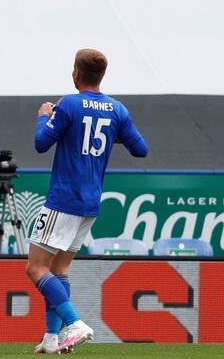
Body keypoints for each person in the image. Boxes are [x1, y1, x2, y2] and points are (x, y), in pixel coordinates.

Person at [27, 48, 148, 354]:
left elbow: (41, 143)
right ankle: (52, 338)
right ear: (101, 75)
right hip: (90, 202)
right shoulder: (117, 110)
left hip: (63, 200)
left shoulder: (68, 104)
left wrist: (44, 117)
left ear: (76, 74)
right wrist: (115, 135)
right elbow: (141, 150)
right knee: (60, 268)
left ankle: (75, 323)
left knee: (36, 268)